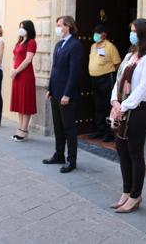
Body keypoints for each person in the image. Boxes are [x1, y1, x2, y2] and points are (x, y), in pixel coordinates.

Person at [109, 18, 146, 213]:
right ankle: (125, 191)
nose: (131, 34)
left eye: (134, 31)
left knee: (135, 152)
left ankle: (135, 195)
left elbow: (142, 88)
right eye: (130, 30)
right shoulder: (130, 55)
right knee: (121, 150)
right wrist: (115, 101)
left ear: (144, 34)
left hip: (139, 111)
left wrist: (123, 107)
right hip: (122, 108)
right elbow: (118, 80)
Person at [42, 15, 83, 173]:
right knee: (58, 127)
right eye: (57, 24)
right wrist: (49, 89)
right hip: (56, 93)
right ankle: (59, 154)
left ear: (68, 26)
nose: (57, 27)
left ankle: (71, 160)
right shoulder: (59, 44)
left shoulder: (75, 45)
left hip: (67, 95)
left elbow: (74, 73)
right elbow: (55, 69)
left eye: (60, 25)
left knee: (69, 128)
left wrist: (67, 94)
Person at [88, 24, 121, 142]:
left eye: (98, 33)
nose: (95, 35)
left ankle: (109, 132)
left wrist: (109, 74)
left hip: (106, 79)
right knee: (98, 106)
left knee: (107, 105)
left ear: (104, 34)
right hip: (94, 80)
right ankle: (99, 130)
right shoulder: (93, 46)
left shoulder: (110, 46)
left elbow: (117, 64)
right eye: (94, 33)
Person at [10, 20, 37, 141]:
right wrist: (12, 69)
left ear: (29, 29)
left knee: (25, 101)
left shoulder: (31, 42)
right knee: (19, 101)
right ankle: (20, 127)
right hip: (17, 75)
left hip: (25, 75)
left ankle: (24, 129)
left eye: (23, 27)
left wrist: (16, 71)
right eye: (19, 26)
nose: (21, 29)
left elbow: (27, 60)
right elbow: (14, 57)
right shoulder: (19, 42)